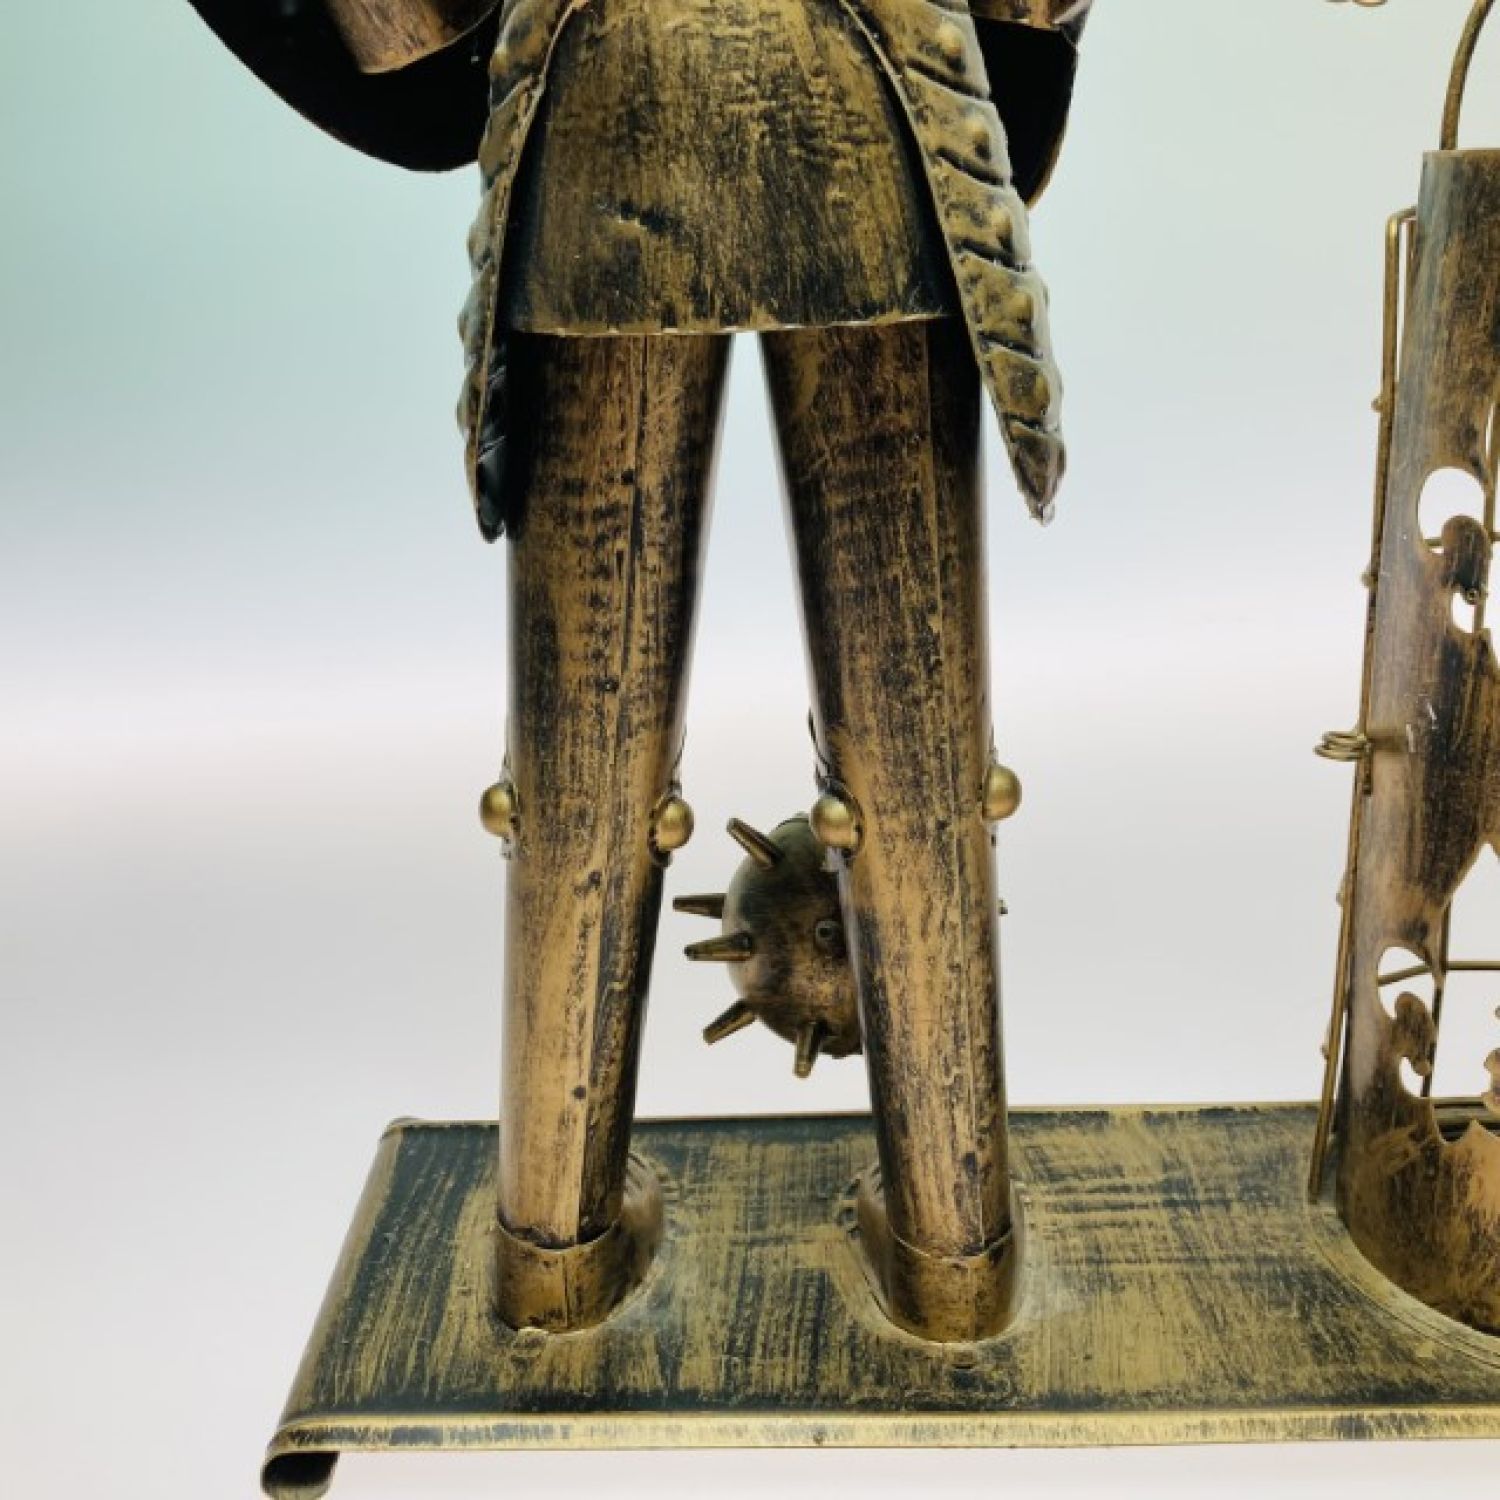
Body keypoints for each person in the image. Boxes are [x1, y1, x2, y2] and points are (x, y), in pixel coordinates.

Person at [188, 0, 1091, 1342]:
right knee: (914, 754)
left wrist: (407, 42)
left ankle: (555, 1252)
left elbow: (409, 45)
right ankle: (953, 1260)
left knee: (580, 774)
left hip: (602, 154)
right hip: (881, 148)